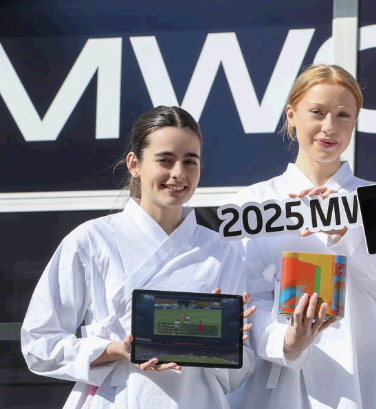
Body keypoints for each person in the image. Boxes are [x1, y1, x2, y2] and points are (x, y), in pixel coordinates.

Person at [20, 106, 256, 409]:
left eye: (190, 161)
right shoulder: (92, 240)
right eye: (165, 160)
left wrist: (226, 344)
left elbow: (239, 374)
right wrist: (116, 350)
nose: (178, 173)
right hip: (118, 398)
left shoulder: (221, 252)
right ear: (134, 163)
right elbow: (39, 343)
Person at [226, 65, 376, 409]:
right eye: (317, 112)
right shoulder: (253, 203)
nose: (329, 127)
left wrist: (348, 238)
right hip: (280, 380)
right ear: (291, 115)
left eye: (343, 115)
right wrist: (286, 342)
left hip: (364, 376)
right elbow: (248, 297)